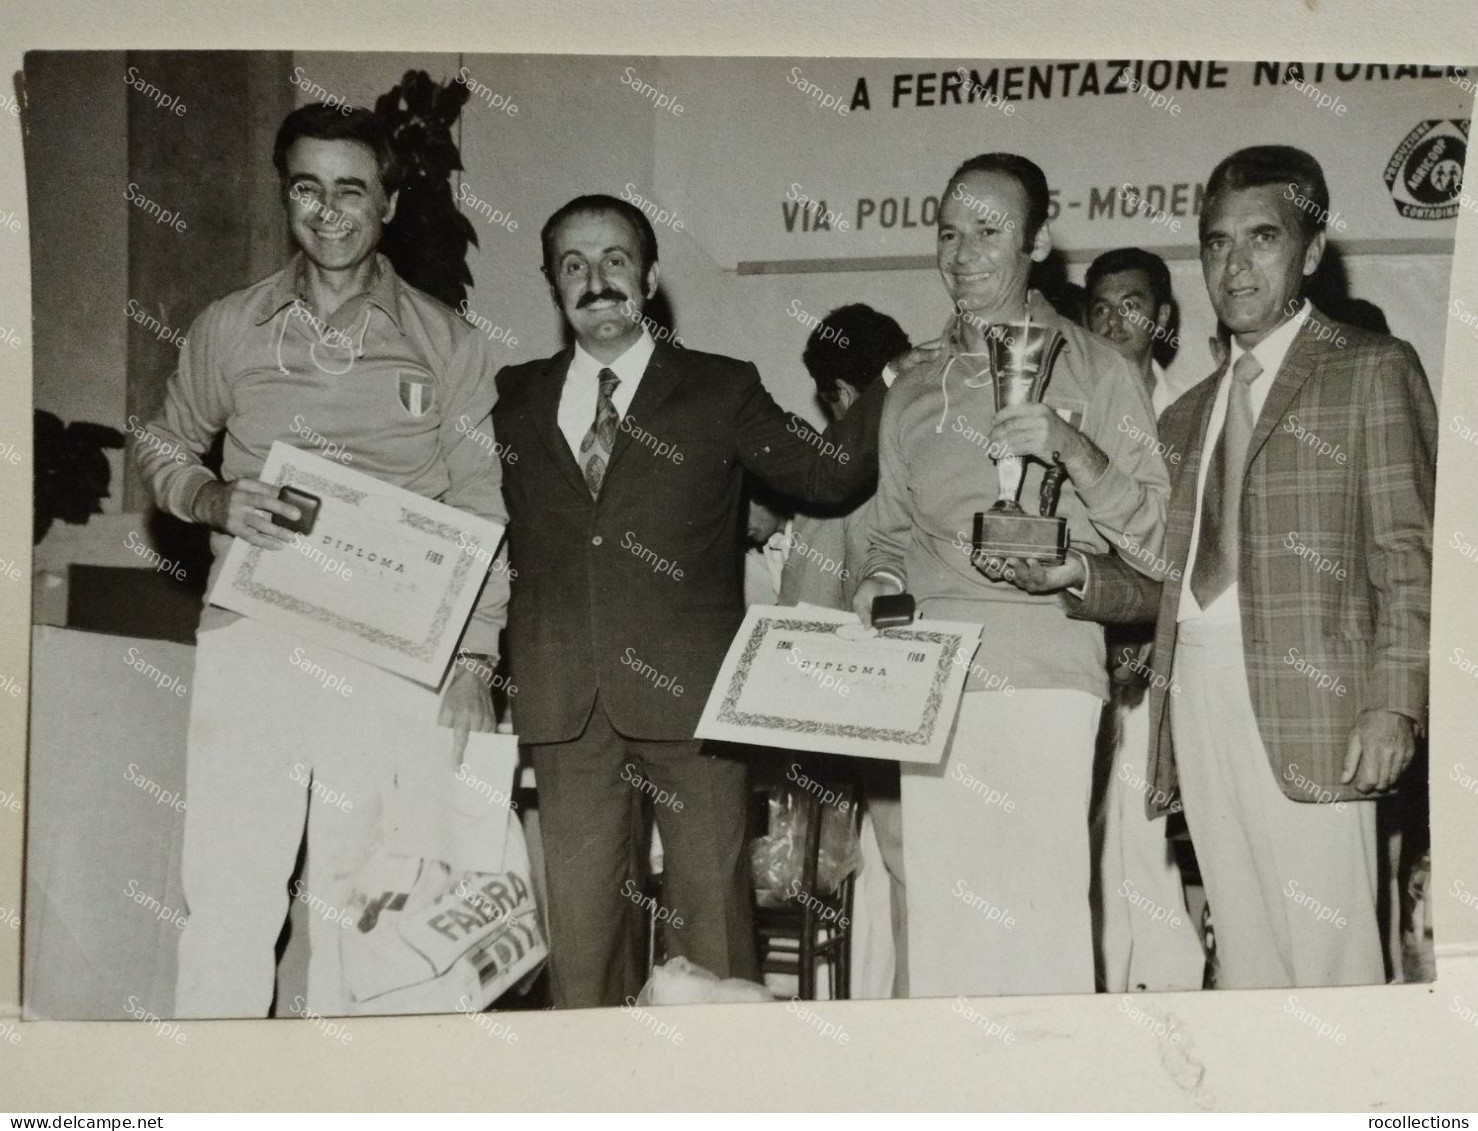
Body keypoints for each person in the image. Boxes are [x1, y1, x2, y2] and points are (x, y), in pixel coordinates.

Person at [135, 104, 508, 1017]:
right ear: (285, 196)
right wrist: (211, 498)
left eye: (352, 189)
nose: (329, 210)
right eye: (308, 187)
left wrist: (474, 659)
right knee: (228, 894)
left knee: (371, 904)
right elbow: (161, 444)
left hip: (390, 658)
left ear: (386, 201)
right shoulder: (230, 326)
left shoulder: (448, 342)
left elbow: (482, 507)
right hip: (252, 639)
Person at [492, 193, 908, 1008]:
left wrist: (895, 380)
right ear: (552, 286)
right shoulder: (514, 395)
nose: (596, 280)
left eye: (615, 260)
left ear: (648, 277)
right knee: (580, 949)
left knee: (715, 935)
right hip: (564, 703)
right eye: (573, 266)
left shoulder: (720, 388)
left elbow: (827, 472)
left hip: (696, 701)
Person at [1065, 145, 1436, 988]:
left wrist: (1395, 704)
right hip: (1193, 693)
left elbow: (1408, 556)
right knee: (1244, 956)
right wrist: (1078, 581)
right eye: (1216, 243)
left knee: (1333, 959)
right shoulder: (1190, 412)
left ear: (1309, 252)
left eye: (1261, 239)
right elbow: (1168, 574)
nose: (1233, 265)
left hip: (1317, 703)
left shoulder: (1372, 368)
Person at [852, 153, 1170, 997]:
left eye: (988, 231)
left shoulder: (1103, 370)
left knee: (1042, 934)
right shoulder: (912, 383)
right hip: (930, 682)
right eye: (948, 234)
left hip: (1047, 674)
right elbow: (883, 537)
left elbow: (1163, 543)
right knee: (945, 939)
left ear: (1038, 238)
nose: (963, 254)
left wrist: (1072, 447)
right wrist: (875, 587)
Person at [777, 303, 912, 997]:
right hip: (940, 689)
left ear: (841, 393)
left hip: (871, 698)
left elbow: (805, 600)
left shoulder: (841, 467)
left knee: (902, 864)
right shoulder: (929, 436)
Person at [1082, 248, 1206, 992]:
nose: (1112, 320)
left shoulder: (1189, 411)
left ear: (1161, 321)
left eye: (1130, 305)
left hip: (1169, 666)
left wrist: (1148, 642)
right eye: (1097, 307)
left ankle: (1173, 1001)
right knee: (1094, 851)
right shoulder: (1075, 400)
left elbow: (1191, 551)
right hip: (1086, 658)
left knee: (1154, 846)